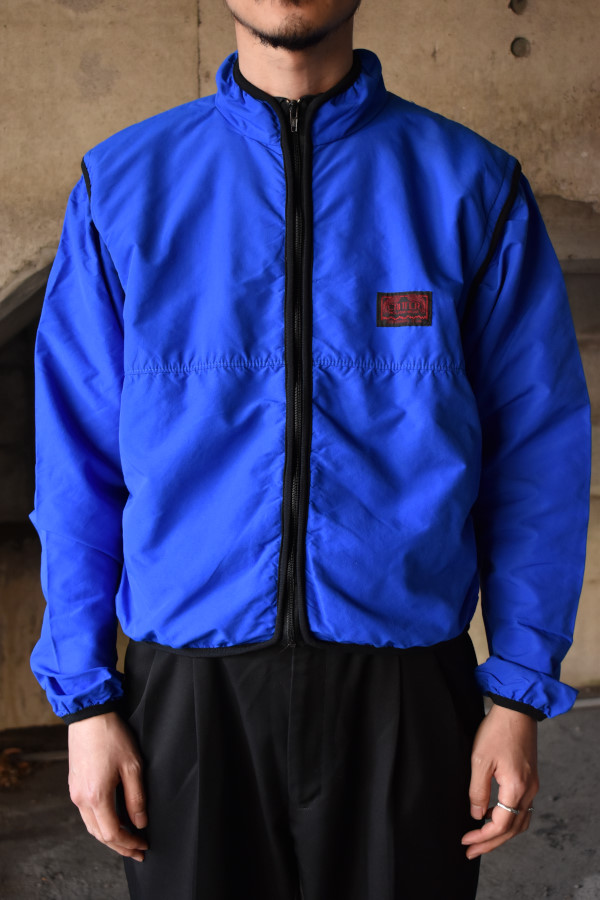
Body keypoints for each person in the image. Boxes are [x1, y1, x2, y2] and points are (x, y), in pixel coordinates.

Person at [28, 1, 591, 898]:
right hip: (190, 694)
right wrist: (86, 700)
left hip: (407, 691)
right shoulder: (123, 186)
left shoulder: (470, 185)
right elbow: (75, 461)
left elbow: (537, 456)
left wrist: (518, 689)